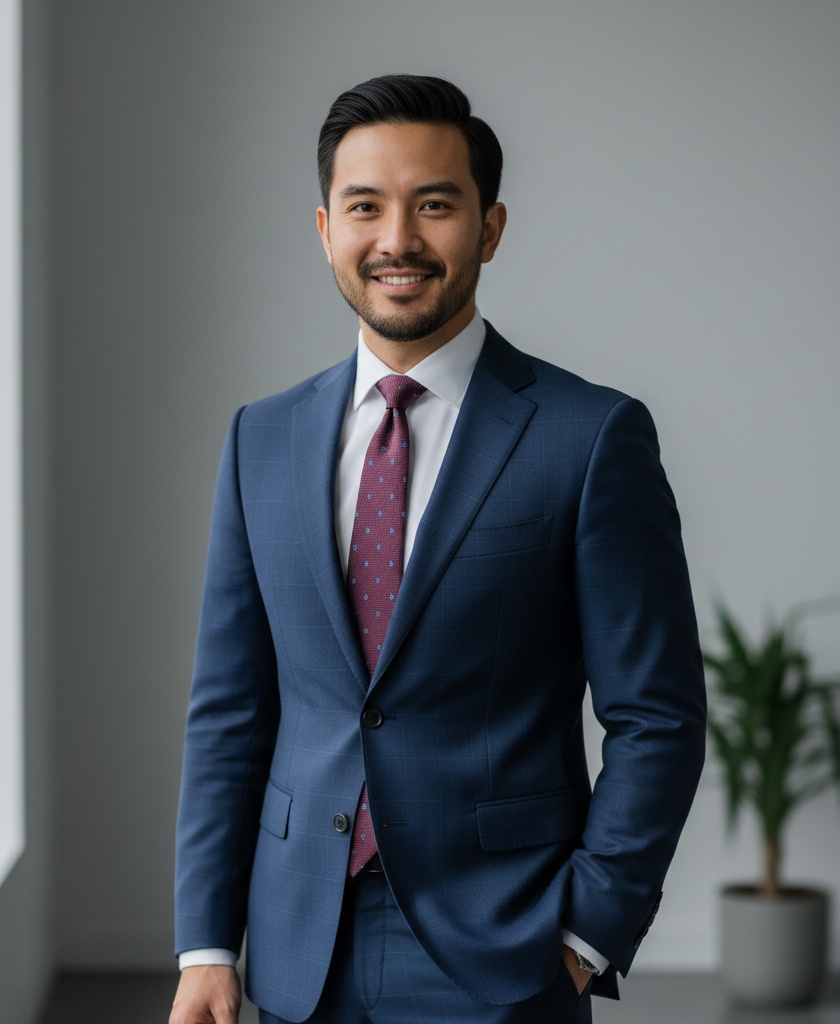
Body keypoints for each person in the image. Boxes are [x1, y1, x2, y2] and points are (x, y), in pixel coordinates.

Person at [171, 74, 706, 1024]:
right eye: (365, 207)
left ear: (490, 228)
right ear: (325, 229)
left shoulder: (589, 438)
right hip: (300, 947)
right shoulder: (263, 438)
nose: (398, 241)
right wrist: (206, 945)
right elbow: (229, 711)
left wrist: (587, 936)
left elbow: (658, 716)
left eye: (435, 206)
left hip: (506, 951)